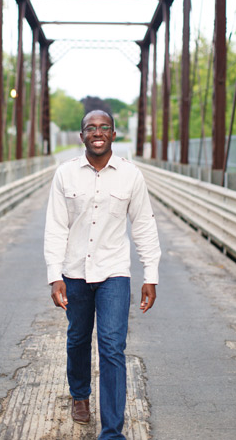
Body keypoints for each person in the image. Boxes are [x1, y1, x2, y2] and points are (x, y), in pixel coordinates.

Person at [44, 109, 161, 438]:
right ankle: (80, 395)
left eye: (104, 127)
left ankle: (112, 431)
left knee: (112, 347)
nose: (97, 132)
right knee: (78, 340)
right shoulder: (65, 175)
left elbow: (144, 226)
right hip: (74, 272)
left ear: (113, 134)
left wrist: (150, 275)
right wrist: (55, 276)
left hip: (114, 272)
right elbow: (55, 228)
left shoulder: (130, 175)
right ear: (82, 136)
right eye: (90, 128)